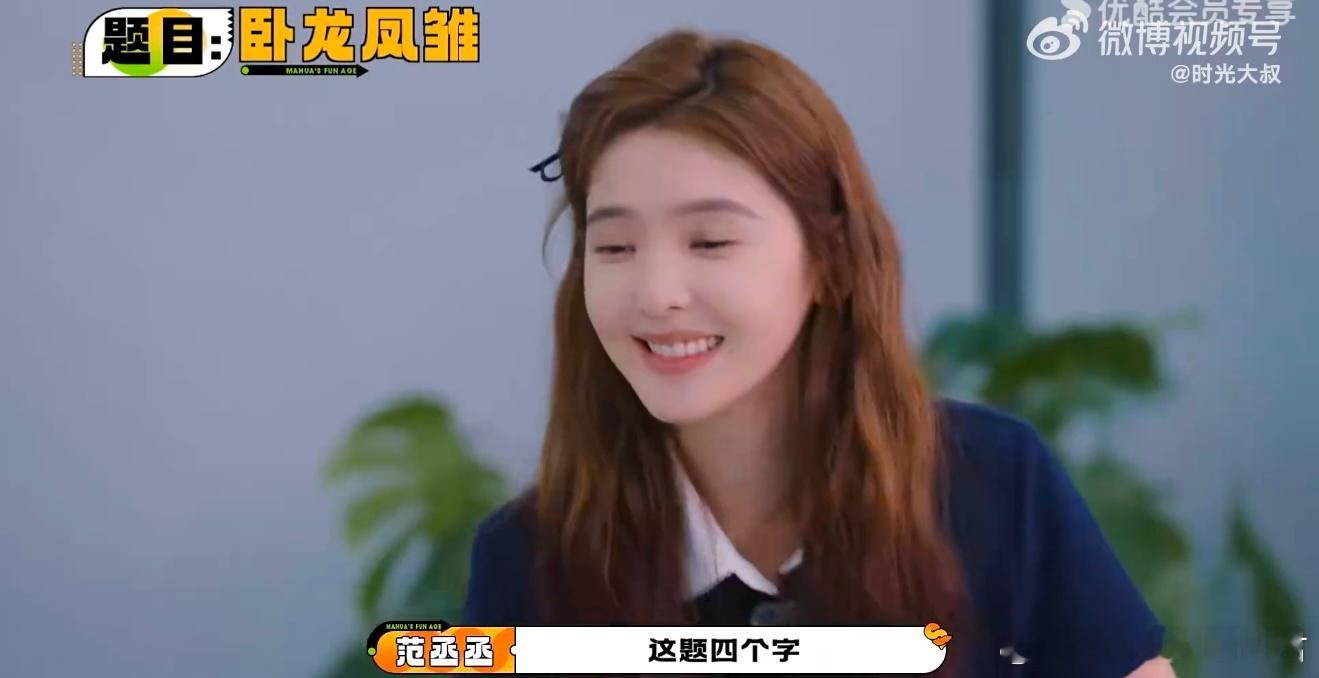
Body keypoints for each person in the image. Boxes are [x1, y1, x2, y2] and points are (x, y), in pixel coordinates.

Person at [463, 28, 1174, 677]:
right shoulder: (527, 559)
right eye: (615, 247)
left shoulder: (990, 482)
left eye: (710, 241)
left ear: (828, 263)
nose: (655, 295)